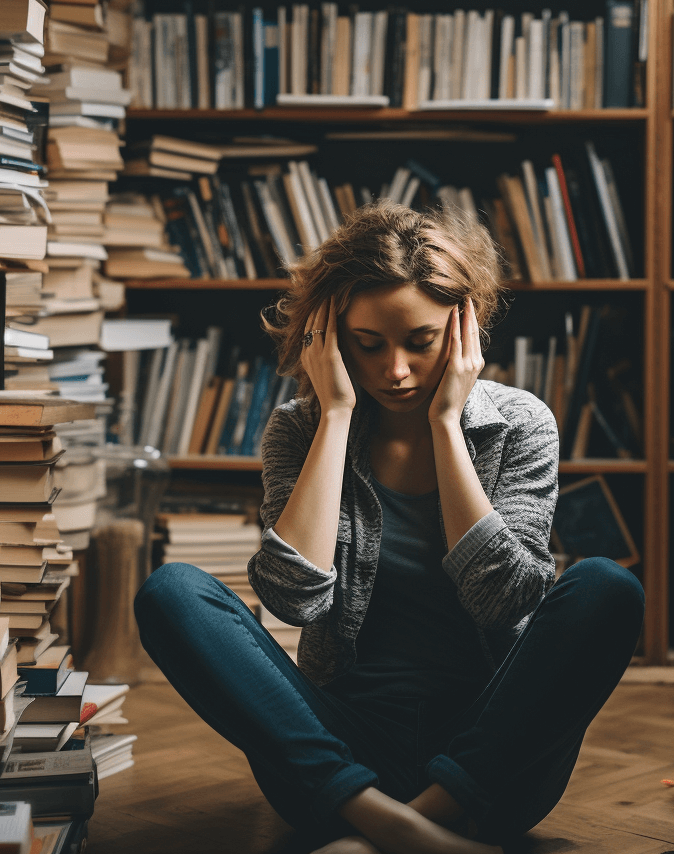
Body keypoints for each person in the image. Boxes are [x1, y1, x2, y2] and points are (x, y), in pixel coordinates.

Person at [134, 202, 645, 854]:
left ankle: (405, 825)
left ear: (465, 331)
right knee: (172, 591)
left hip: (492, 758)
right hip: (337, 755)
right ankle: (399, 828)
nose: (395, 370)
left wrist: (445, 427)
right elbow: (294, 597)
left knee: (606, 586)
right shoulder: (299, 430)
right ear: (330, 334)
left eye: (421, 342)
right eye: (368, 344)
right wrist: (337, 417)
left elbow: (504, 599)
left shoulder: (522, 424)